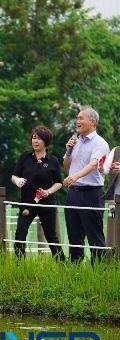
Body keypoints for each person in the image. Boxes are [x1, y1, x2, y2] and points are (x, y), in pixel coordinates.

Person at [63, 107, 109, 263]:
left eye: (81, 118)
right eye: (77, 118)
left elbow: (93, 164)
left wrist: (74, 176)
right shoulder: (75, 141)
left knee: (94, 235)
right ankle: (75, 270)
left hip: (92, 194)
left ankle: (100, 272)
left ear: (93, 122)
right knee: (74, 235)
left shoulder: (100, 143)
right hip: (73, 194)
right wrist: (68, 151)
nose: (78, 121)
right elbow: (66, 166)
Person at [11, 126, 64, 260]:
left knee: (51, 236)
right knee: (20, 234)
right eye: (34, 138)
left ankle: (63, 264)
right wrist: (17, 181)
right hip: (27, 203)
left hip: (46, 203)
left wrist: (48, 191)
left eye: (39, 139)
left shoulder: (53, 161)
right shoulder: (25, 157)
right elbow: (14, 176)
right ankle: (19, 264)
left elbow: (59, 183)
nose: (35, 141)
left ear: (46, 141)